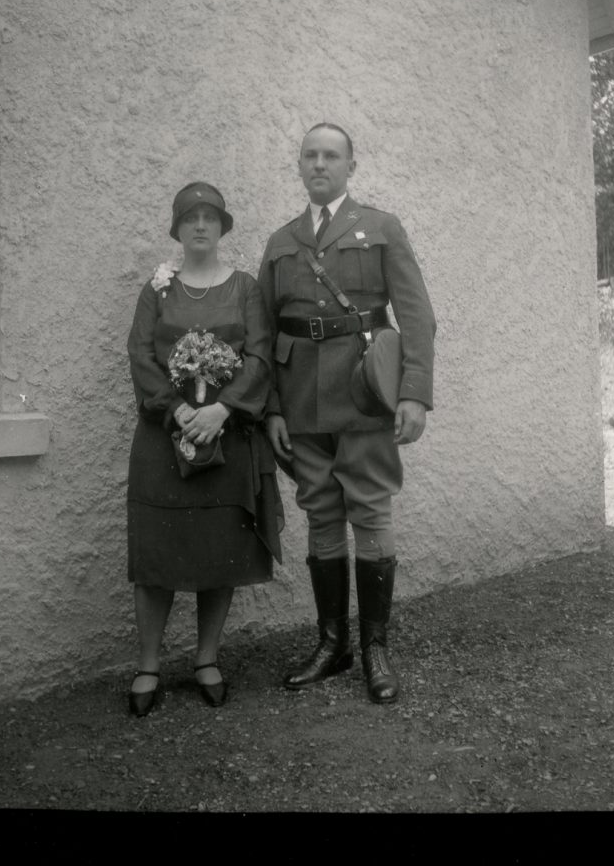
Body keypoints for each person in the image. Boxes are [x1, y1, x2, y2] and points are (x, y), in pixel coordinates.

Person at [257, 123, 435, 704]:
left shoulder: (381, 228)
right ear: (299, 165)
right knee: (321, 516)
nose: (319, 165)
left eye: (331, 156)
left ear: (351, 165)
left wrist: (413, 392)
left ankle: (376, 649)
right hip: (302, 401)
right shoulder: (281, 241)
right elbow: (263, 332)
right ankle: (333, 645)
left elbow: (416, 314)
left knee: (371, 513)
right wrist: (273, 409)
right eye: (309, 156)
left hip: (362, 397)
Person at [126, 182, 283, 717]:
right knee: (157, 552)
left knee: (219, 549)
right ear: (177, 228)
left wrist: (223, 410)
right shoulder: (158, 289)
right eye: (189, 217)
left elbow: (259, 357)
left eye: (209, 217)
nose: (199, 225)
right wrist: (176, 411)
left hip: (226, 435)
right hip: (162, 436)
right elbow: (141, 354)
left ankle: (207, 658)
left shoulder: (244, 288)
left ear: (221, 227)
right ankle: (148, 663)